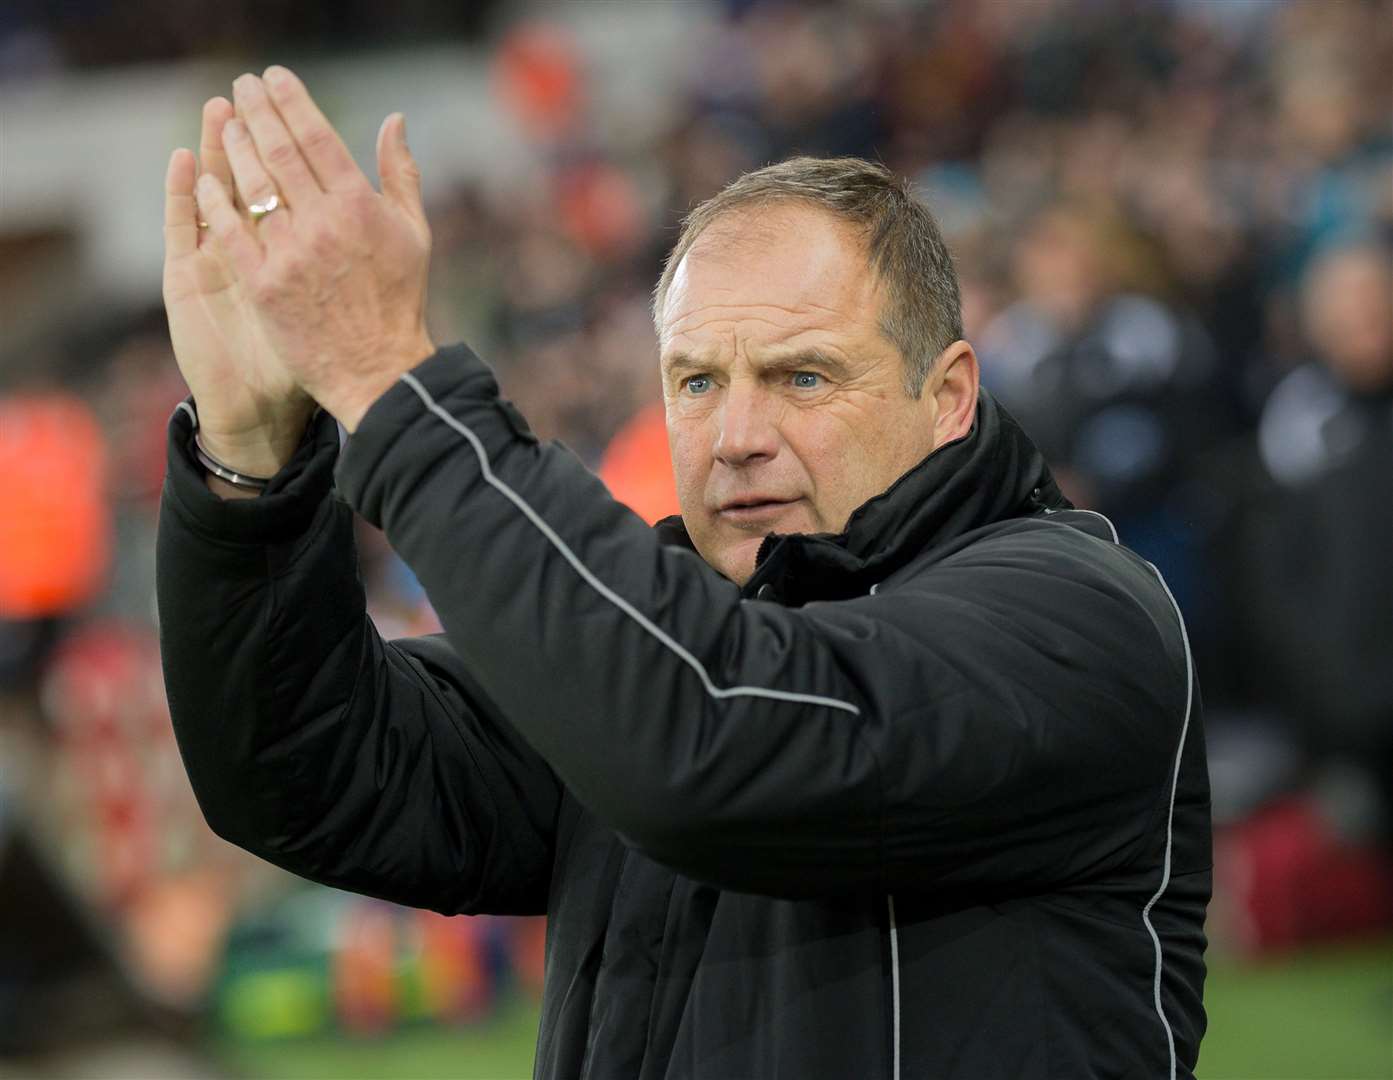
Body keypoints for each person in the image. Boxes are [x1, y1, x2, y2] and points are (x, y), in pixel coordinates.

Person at [158, 68, 1209, 1078]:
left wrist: (391, 384)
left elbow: (716, 736)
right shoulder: (658, 644)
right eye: (697, 380)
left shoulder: (1075, 616)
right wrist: (249, 460)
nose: (736, 435)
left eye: (802, 375)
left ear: (946, 397)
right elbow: (306, 767)